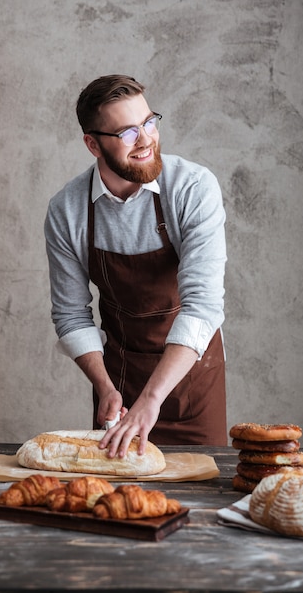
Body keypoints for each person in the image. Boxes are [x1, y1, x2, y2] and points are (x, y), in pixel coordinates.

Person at [44, 74, 227, 459]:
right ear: (93, 144)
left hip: (191, 382)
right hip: (119, 385)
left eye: (148, 122)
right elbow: (71, 314)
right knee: (120, 504)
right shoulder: (68, 211)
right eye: (127, 132)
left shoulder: (192, 188)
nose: (146, 139)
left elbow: (202, 305)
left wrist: (153, 398)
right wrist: (106, 388)